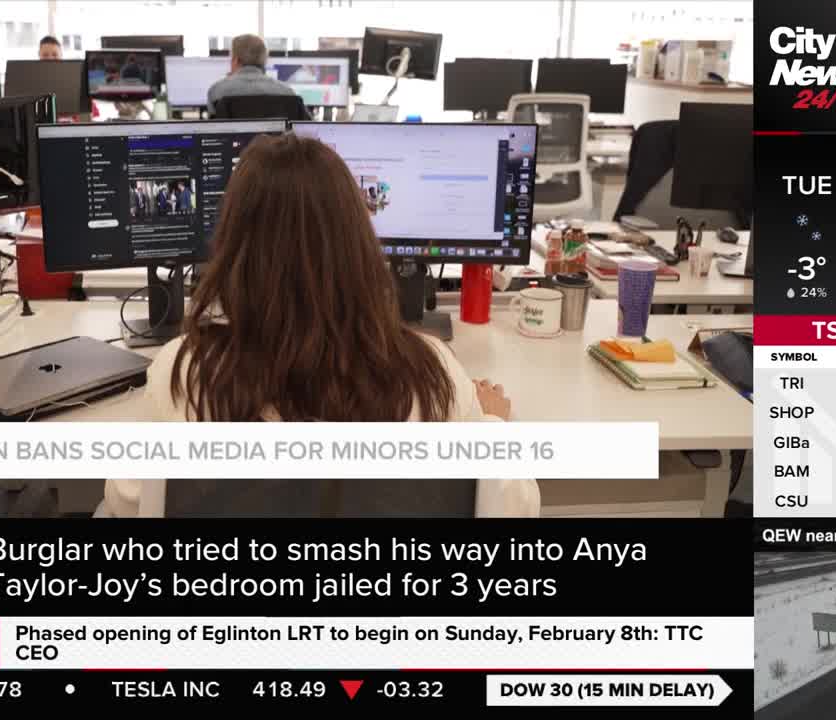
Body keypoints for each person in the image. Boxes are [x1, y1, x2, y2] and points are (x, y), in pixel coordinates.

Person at [102, 134, 538, 517]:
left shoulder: (186, 370)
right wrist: (492, 426)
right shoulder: (431, 371)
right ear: (359, 242)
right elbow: (513, 507)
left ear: (234, 249)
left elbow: (129, 501)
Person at [205, 34, 296, 115]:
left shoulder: (217, 91)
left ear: (235, 60)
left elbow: (212, 130)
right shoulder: (288, 93)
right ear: (264, 61)